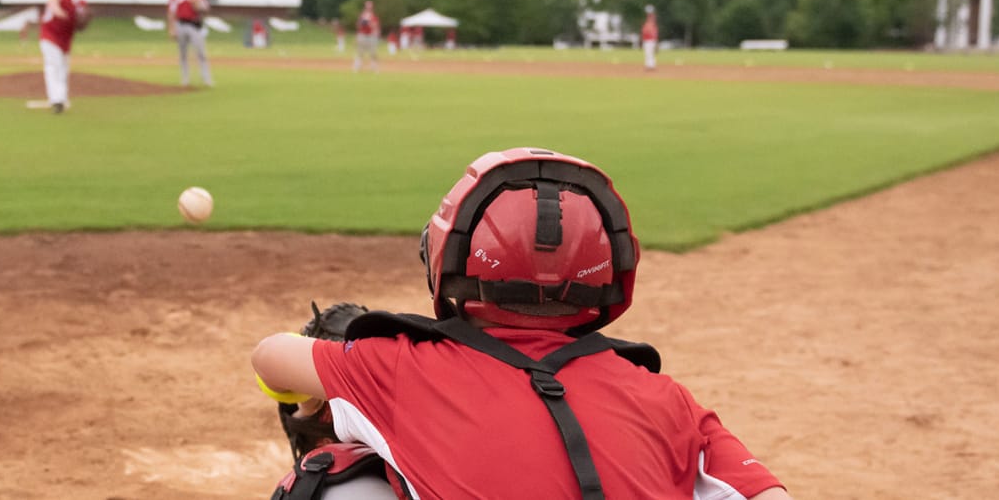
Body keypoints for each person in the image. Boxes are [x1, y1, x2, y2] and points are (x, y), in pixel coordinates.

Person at [251, 148, 792, 500]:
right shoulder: (667, 398)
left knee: (339, 483)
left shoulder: (396, 365)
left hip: (366, 372)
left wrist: (319, 376)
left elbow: (270, 356)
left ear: (451, 259)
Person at [39, 0, 87, 113]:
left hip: (65, 39)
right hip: (50, 35)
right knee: (54, 66)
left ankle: (61, 98)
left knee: (63, 69)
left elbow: (83, 17)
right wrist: (61, 13)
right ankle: (57, 100)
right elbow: (53, 4)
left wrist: (83, 21)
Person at [167, 0, 213, 87]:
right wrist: (171, 28)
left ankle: (207, 79)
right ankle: (185, 79)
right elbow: (171, 12)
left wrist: (198, 5)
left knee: (201, 52)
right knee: (183, 54)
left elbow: (205, 9)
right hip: (181, 24)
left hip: (194, 25)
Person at [353, 1, 381, 73]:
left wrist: (369, 23)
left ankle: (374, 67)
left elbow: (375, 26)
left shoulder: (374, 16)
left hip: (371, 35)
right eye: (367, 7)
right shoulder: (362, 16)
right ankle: (357, 67)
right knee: (360, 52)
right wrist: (363, 23)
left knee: (373, 52)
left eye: (370, 7)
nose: (368, 8)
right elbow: (358, 26)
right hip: (362, 35)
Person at [640, 4, 660, 72]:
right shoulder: (650, 23)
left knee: (649, 53)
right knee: (648, 53)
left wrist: (656, 41)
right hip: (648, 40)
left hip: (650, 40)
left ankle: (650, 66)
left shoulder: (651, 23)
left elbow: (653, 32)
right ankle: (649, 65)